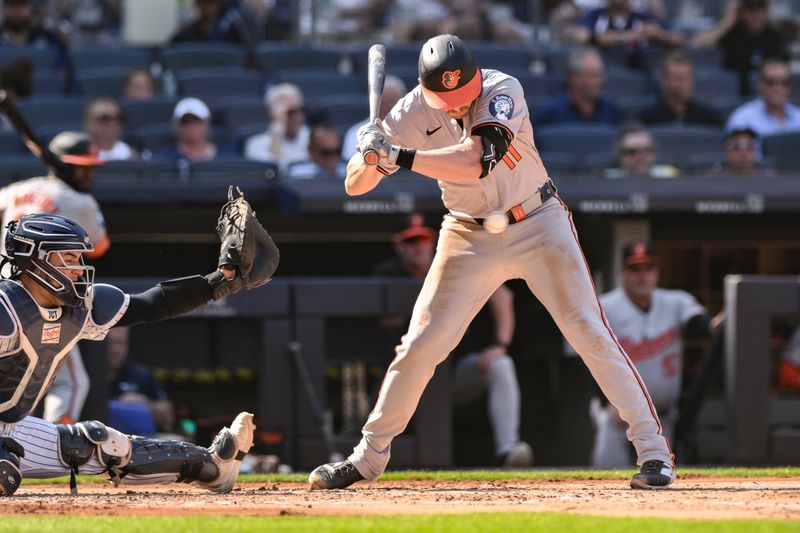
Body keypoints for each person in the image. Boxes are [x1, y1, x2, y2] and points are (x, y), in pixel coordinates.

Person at [308, 34, 676, 491]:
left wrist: (398, 156)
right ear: (426, 92)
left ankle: (654, 453)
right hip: (467, 232)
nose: (458, 107)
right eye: (447, 101)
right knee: (420, 345)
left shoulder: (503, 90)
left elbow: (475, 160)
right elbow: (355, 186)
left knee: (589, 332)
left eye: (462, 96)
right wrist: (369, 148)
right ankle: (368, 457)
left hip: (538, 219)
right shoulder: (407, 113)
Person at [0, 208, 271, 496]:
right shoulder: (6, 308)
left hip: (11, 430)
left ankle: (212, 467)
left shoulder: (78, 309)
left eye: (78, 258)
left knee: (104, 445)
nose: (78, 269)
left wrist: (219, 282)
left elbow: (149, 306)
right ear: (36, 262)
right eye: (68, 259)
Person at [373, 217, 533, 467]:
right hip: (408, 375)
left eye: (423, 240)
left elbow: (503, 296)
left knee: (501, 364)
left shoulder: (451, 263)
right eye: (411, 241)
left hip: (453, 372)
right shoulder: (388, 273)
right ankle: (374, 455)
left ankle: (508, 449)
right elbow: (389, 321)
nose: (419, 247)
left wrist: (499, 345)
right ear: (399, 246)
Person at [0, 132, 110, 425]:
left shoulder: (15, 190)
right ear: (63, 165)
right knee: (70, 381)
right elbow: (99, 246)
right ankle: (56, 446)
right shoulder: (78, 200)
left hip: (7, 291)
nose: (88, 175)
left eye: (91, 168)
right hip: (43, 294)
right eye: (81, 167)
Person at [589, 242, 711, 468]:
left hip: (664, 415)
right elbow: (588, 358)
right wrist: (608, 401)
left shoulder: (676, 302)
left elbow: (703, 326)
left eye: (648, 268)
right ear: (622, 272)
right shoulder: (605, 306)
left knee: (663, 479)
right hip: (619, 413)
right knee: (608, 474)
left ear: (657, 272)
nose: (642, 275)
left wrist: (723, 319)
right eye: (635, 269)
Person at [692, 0, 788, 96]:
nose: (756, 15)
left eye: (760, 9)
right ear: (741, 12)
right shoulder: (732, 32)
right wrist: (727, 22)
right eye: (750, 10)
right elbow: (699, 42)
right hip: (734, 92)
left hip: (766, 93)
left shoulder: (774, 35)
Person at [106, 326, 175, 436]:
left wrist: (143, 403)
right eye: (110, 343)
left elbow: (168, 417)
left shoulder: (140, 375)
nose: (116, 350)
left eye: (121, 343)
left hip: (135, 441)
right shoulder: (85, 375)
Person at [575, 0, 683, 70]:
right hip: (603, 67)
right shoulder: (595, 15)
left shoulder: (642, 16)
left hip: (639, 68)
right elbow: (582, 36)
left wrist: (660, 35)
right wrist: (626, 37)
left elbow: (679, 37)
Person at [533, 47, 623, 127]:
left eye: (601, 74)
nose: (601, 81)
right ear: (574, 78)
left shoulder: (612, 111)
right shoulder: (548, 114)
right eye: (594, 75)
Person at [725, 59, 800, 147]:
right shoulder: (742, 120)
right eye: (770, 82)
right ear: (759, 84)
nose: (777, 88)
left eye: (784, 82)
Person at [638, 51, 723, 128]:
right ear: (663, 81)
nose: (683, 84)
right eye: (677, 78)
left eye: (687, 78)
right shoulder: (646, 119)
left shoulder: (709, 118)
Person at [244, 83, 310, 172]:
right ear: (271, 112)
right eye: (290, 112)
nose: (297, 116)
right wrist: (279, 124)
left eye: (300, 110)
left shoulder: (313, 137)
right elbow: (272, 171)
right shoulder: (256, 144)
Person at [343, 75, 407, 160]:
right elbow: (352, 164)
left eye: (392, 101)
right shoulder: (356, 132)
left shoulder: (415, 129)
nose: (388, 105)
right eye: (383, 101)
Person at [0, 0, 69, 74]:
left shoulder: (48, 38)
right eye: (13, 6)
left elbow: (63, 70)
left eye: (22, 6)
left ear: (30, 8)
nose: (17, 12)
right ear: (4, 9)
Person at [602, 123, 679, 178]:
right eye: (632, 151)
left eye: (647, 150)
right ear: (619, 155)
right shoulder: (605, 180)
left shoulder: (671, 177)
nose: (641, 156)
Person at [159, 97, 220, 163]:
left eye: (197, 121)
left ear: (207, 123)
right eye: (185, 122)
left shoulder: (224, 156)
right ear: (176, 126)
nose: (191, 127)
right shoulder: (165, 159)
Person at [171, 0, 251, 44]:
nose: (209, 8)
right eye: (205, 2)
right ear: (197, 4)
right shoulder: (185, 35)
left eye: (213, 3)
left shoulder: (230, 32)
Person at [704, 127, 775, 176]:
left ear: (756, 151)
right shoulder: (713, 178)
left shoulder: (768, 177)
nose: (743, 153)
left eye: (749, 146)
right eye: (735, 147)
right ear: (725, 151)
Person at [83, 97, 136, 161]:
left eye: (117, 118)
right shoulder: (80, 152)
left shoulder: (130, 154)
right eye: (105, 118)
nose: (112, 123)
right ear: (91, 122)